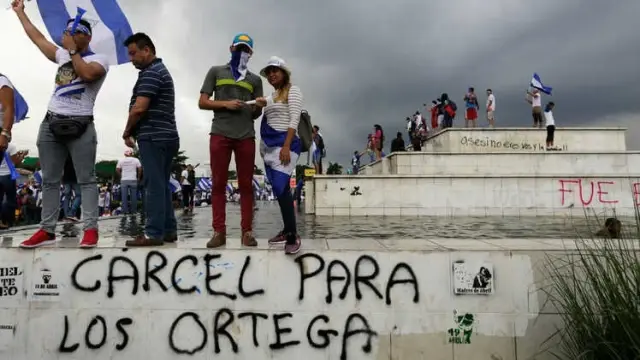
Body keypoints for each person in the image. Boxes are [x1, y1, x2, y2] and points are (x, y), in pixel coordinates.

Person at [14, 0, 108, 248]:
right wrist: (20, 13)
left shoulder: (100, 59)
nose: (68, 34)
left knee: (86, 179)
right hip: (51, 123)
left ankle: (90, 229)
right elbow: (37, 38)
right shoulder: (61, 54)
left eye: (75, 31)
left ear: (86, 37)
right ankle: (47, 230)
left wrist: (74, 52)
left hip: (81, 126)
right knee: (50, 180)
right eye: (67, 30)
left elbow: (87, 75)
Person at [198, 33, 263, 248]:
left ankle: (247, 232)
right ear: (231, 49)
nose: (242, 53)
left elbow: (254, 114)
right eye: (239, 48)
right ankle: (219, 232)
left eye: (246, 50)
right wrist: (226, 104)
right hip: (220, 133)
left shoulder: (255, 80)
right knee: (218, 183)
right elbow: (203, 102)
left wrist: (258, 107)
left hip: (246, 135)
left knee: (246, 185)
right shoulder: (216, 71)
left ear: (251, 53)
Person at [121, 33, 180, 246]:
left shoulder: (151, 73)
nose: (131, 58)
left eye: (134, 53)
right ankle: (168, 229)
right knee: (162, 183)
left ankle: (153, 233)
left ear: (147, 50)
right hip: (167, 135)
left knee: (153, 184)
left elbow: (139, 108)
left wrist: (127, 131)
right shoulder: (158, 70)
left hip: (154, 136)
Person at [255, 56, 303, 254]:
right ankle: (287, 230)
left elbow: (294, 119)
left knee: (280, 185)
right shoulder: (271, 96)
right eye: (269, 72)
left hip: (286, 145)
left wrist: (286, 145)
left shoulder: (294, 91)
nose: (272, 74)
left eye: (275, 70)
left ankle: (292, 234)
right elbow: (258, 104)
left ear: (284, 73)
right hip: (268, 148)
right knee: (279, 189)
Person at [116, 148, 141, 214]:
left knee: (124, 197)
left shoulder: (121, 160)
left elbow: (117, 169)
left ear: (125, 154)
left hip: (124, 180)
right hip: (133, 179)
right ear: (131, 154)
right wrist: (138, 177)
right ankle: (134, 211)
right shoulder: (136, 160)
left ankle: (125, 211)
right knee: (134, 197)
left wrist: (121, 176)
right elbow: (140, 168)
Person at [61, 156, 81, 221]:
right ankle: (71, 213)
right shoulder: (76, 155)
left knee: (67, 197)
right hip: (75, 178)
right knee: (79, 195)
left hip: (66, 178)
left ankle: (66, 214)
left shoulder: (64, 155)